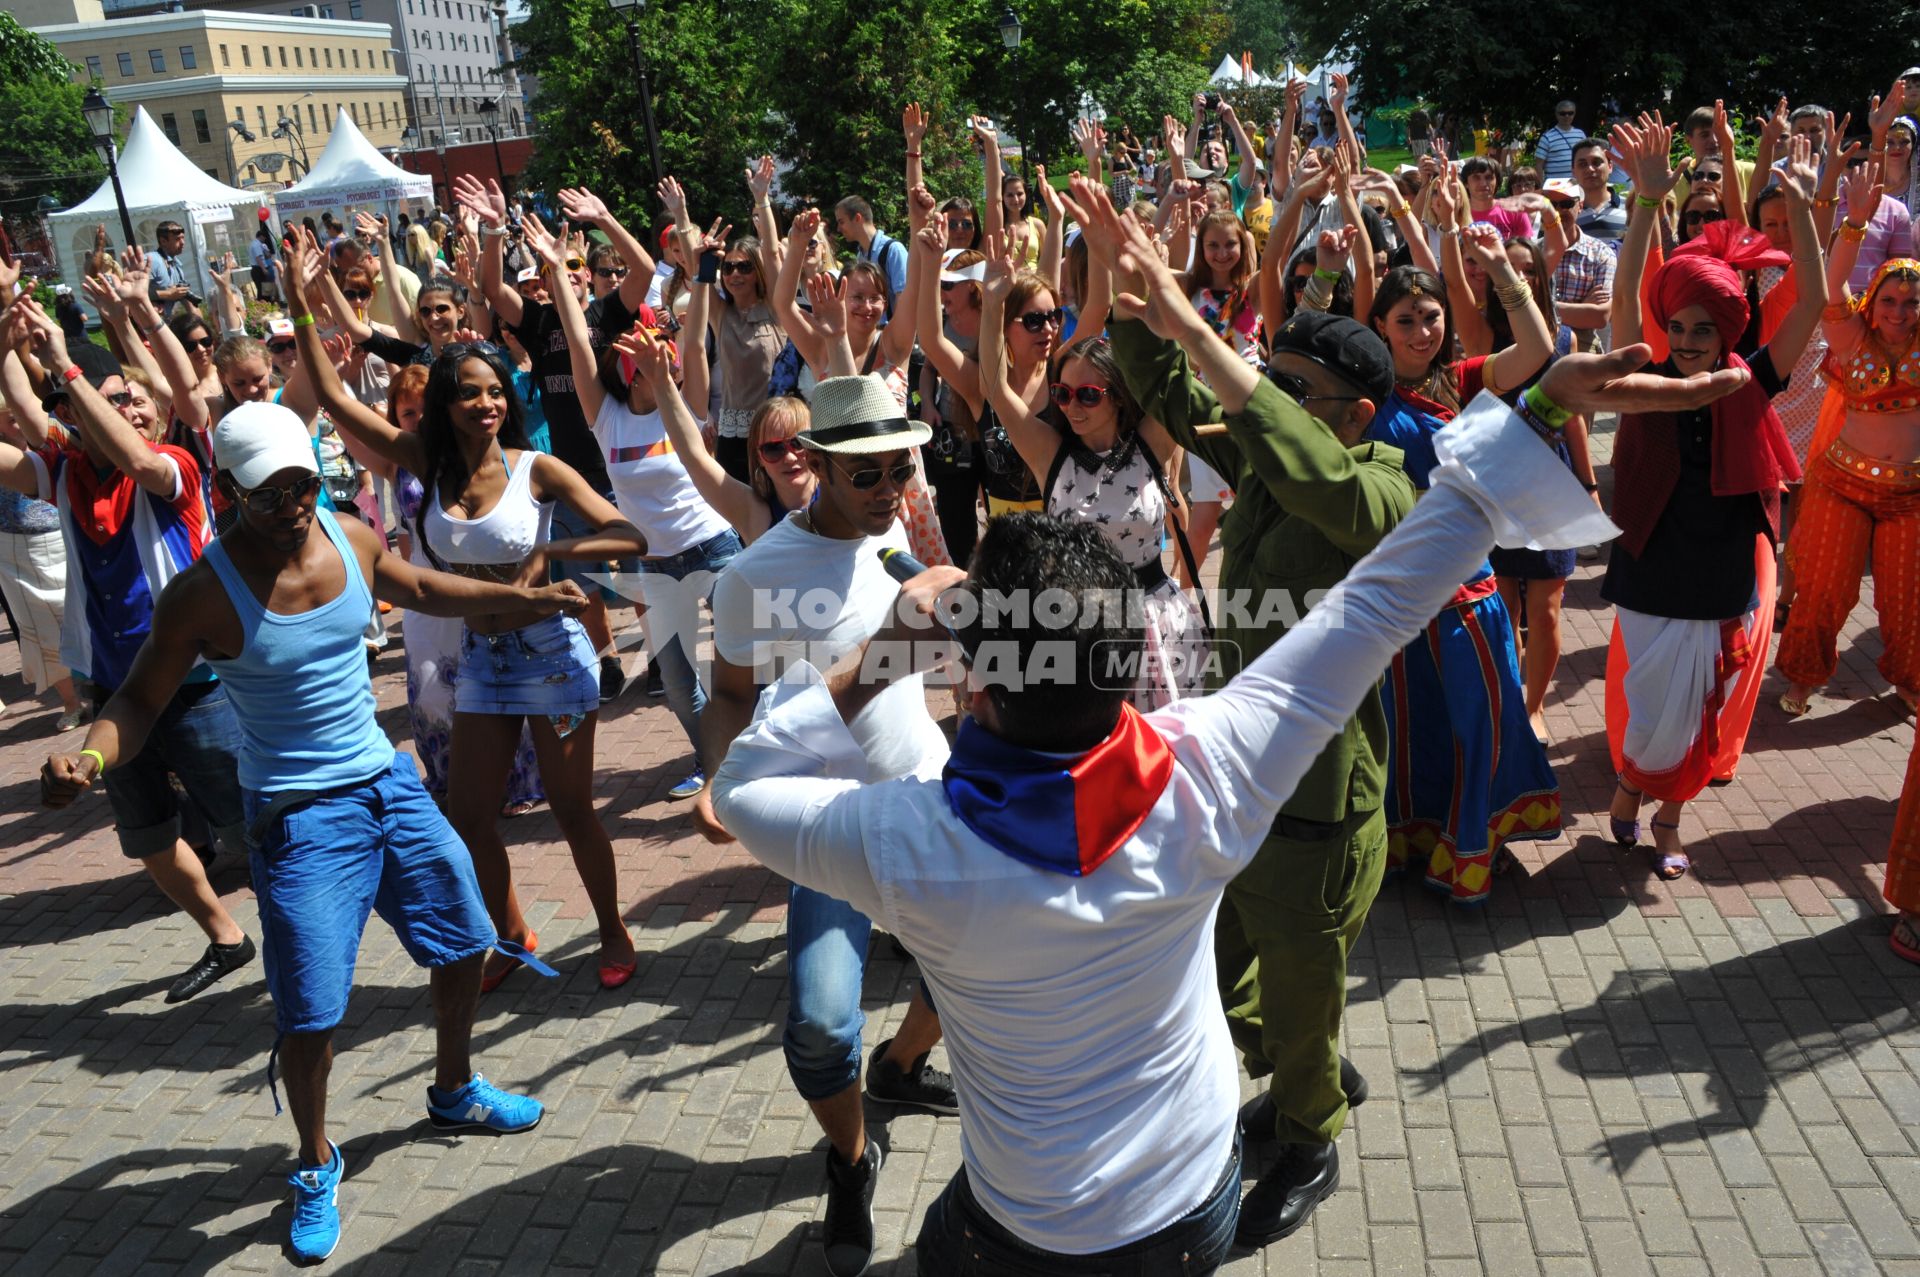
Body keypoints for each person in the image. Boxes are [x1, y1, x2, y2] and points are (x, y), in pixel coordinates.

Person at [711, 192, 1710, 1274]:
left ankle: (1295, 1116)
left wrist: (881, 651)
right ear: (1130, 671)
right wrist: (1535, 406)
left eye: (1295, 390)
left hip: (1029, 1215)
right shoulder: (1206, 764)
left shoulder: (901, 840)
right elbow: (1378, 605)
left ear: (979, 692)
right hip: (1192, 1205)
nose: (1266, 402)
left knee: (971, 1222)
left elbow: (749, 779)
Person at [42, 399, 575, 1262]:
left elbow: (427, 588)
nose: (294, 503)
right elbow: (136, 700)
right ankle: (317, 1158)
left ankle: (452, 1088)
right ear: (222, 489)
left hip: (386, 783)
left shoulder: (349, 534)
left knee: (464, 938)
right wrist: (91, 760)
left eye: (303, 484)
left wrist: (524, 597)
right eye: (270, 493)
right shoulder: (202, 594)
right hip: (297, 818)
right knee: (313, 1014)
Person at [1061, 175, 1415, 1243]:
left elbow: (1316, 478)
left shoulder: (1386, 491)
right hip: (1239, 786)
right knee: (1222, 966)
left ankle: (1310, 1133)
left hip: (1315, 803)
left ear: (1355, 413)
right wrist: (1125, 293)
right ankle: (1302, 1062)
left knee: (1299, 984)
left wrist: (1185, 313)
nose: (1265, 397)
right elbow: (1170, 392)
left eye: (1291, 386)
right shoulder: (1272, 454)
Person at [286, 228, 649, 993]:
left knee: (574, 809)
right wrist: (298, 300)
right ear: (445, 404)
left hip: (550, 655)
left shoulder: (535, 468)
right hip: (478, 660)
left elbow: (626, 532)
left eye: (495, 392)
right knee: (470, 814)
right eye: (471, 392)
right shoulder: (429, 463)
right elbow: (340, 400)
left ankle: (613, 929)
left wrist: (553, 556)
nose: (487, 403)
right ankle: (510, 931)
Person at [697, 374, 960, 1277]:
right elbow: (730, 694)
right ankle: (851, 1161)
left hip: (927, 802)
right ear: (810, 467)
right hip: (826, 824)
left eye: (903, 468)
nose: (893, 488)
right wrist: (716, 778)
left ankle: (899, 1067)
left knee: (967, 981)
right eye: (872, 474)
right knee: (817, 1023)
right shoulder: (752, 578)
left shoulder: (899, 526)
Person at [0, 305, 255, 1003]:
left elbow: (137, 458)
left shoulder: (172, 464)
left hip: (196, 683)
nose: (130, 407)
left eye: (137, 399)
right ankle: (227, 938)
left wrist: (69, 365)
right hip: (116, 690)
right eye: (115, 401)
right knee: (147, 835)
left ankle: (321, 930)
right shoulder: (66, 474)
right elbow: (19, 412)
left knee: (251, 829)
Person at [1605, 120, 1827, 878]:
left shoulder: (1753, 375)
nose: (1690, 337)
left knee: (1704, 700)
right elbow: (1622, 303)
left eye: (1705, 326)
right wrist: (1644, 203)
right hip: (1651, 558)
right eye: (1679, 325)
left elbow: (1813, 302)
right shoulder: (1645, 377)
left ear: (1729, 330)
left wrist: (1801, 208)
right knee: (1652, 693)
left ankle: (1665, 816)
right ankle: (1633, 784)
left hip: (1724, 559)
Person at [1364, 228, 1563, 903]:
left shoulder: (1463, 381)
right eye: (1406, 320)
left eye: (1431, 317)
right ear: (1379, 327)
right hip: (1394, 597)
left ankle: (1473, 846)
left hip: (1468, 594)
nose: (1422, 331)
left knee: (1481, 720)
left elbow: (1538, 352)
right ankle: (1407, 847)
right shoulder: (1360, 399)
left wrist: (1504, 268)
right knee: (1407, 732)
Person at [538, 216, 740, 802]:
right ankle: (713, 763)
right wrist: (557, 272)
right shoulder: (608, 417)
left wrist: (698, 264)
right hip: (651, 564)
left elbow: (698, 332)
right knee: (677, 683)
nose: (667, 354)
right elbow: (578, 343)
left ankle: (753, 753)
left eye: (667, 347)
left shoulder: (689, 402)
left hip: (715, 547)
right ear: (628, 360)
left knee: (744, 663)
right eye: (652, 346)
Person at [976, 239, 1204, 710]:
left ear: (1118, 395)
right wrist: (994, 303)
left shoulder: (1151, 442)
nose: (1071, 407)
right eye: (1061, 394)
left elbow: (1179, 371)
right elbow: (996, 389)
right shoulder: (1049, 453)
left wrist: (1154, 283)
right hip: (1078, 625)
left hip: (1153, 622)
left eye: (1087, 395)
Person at [465, 175, 653, 701]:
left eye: (574, 265)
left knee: (641, 571)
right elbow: (492, 289)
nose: (565, 273)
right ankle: (609, 659)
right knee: (586, 580)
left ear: (587, 273)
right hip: (569, 471)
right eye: (556, 267)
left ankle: (660, 656)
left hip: (619, 464)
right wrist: (497, 230)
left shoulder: (607, 312)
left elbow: (642, 270)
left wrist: (603, 219)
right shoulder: (537, 318)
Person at [1776, 161, 1920, 717]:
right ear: (1874, 303)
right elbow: (1832, 285)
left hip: (1909, 494)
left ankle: (1908, 676)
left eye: (1910, 303)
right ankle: (1804, 677)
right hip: (1843, 484)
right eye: (1889, 301)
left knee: (1906, 600)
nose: (1900, 313)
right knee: (1824, 589)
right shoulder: (1851, 336)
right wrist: (1854, 224)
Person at [1572, 137, 1629, 248]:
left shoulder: (1631, 208)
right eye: (1582, 164)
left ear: (1610, 166)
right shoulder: (1566, 213)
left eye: (1596, 162)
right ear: (1573, 170)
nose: (1590, 169)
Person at [146, 222, 195, 316]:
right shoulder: (151, 261)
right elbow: (137, 291)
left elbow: (188, 302)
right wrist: (167, 294)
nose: (182, 242)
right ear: (163, 241)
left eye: (183, 238)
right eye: (177, 239)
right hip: (151, 325)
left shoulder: (176, 265)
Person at [1536, 101, 1586, 180]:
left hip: (1576, 184)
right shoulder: (1547, 137)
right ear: (1556, 115)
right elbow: (1539, 164)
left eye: (1570, 113)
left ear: (1574, 114)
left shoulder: (1580, 134)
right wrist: (1541, 186)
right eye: (1563, 113)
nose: (1567, 116)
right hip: (1554, 186)